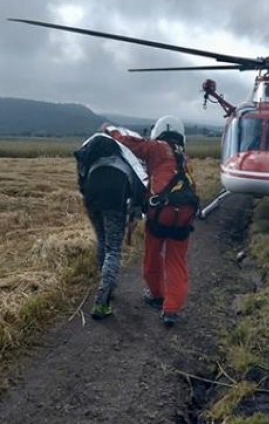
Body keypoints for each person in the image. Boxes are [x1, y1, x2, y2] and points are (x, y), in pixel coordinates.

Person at [103, 116, 199, 327]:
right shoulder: (184, 157)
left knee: (153, 256)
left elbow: (128, 143)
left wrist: (110, 129)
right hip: (186, 213)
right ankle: (171, 310)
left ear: (159, 131)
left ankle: (156, 295)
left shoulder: (157, 147)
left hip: (160, 212)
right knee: (176, 261)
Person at [74, 131, 147, 320]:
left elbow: (81, 185)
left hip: (92, 198)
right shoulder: (127, 162)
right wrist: (133, 217)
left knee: (102, 241)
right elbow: (138, 191)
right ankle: (102, 301)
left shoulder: (92, 160)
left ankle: (106, 285)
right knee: (113, 249)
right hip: (114, 201)